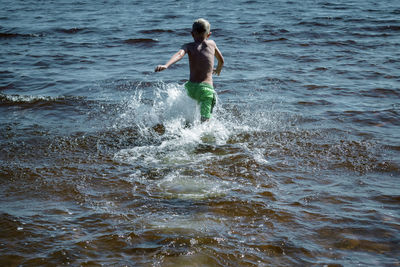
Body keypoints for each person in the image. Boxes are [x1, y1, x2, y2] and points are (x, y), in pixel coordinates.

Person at [155, 18, 224, 122]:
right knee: (205, 118)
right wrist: (218, 69)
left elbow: (179, 54)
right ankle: (202, 133)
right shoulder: (212, 44)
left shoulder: (188, 46)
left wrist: (166, 65)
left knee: (191, 112)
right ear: (209, 34)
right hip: (205, 89)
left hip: (191, 88)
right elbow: (221, 60)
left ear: (192, 34)